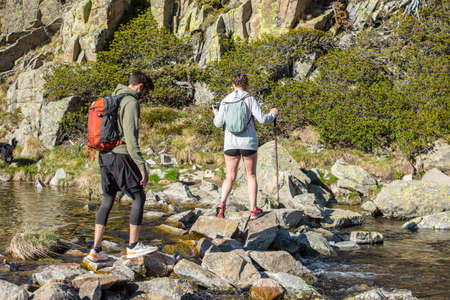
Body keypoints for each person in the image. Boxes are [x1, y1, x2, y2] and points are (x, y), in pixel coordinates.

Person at [85, 71, 157, 263]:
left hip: (104, 156)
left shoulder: (114, 97)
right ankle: (133, 246)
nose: (144, 97)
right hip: (121, 155)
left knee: (107, 199)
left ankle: (96, 250)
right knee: (138, 196)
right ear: (140, 87)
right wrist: (141, 165)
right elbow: (131, 138)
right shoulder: (131, 102)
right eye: (145, 93)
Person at [212, 74, 279, 220]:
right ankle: (253, 210)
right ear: (246, 85)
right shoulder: (249, 99)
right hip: (248, 142)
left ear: (232, 84)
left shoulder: (225, 101)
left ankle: (222, 205)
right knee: (251, 175)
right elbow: (263, 119)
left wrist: (215, 111)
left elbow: (217, 123)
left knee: (230, 176)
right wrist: (273, 114)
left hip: (230, 143)